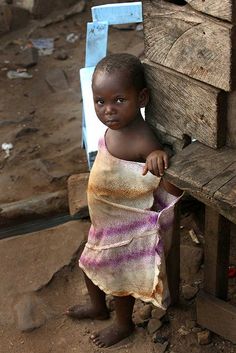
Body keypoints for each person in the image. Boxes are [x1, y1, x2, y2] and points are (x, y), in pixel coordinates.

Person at [66, 53, 182, 348]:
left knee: (118, 278)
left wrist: (156, 156)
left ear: (141, 98)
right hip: (103, 221)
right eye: (100, 101)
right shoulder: (114, 129)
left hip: (124, 228)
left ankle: (123, 323)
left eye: (119, 100)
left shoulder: (142, 139)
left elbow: (162, 177)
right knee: (87, 264)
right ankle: (96, 306)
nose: (108, 111)